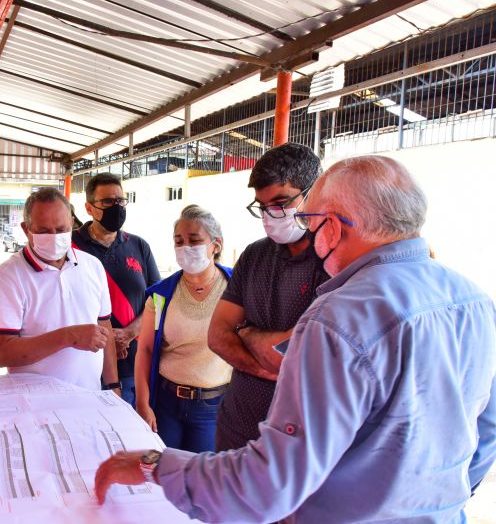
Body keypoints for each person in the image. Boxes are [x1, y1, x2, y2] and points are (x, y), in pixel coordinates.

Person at [94, 155, 496, 522]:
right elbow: (486, 431)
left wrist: (154, 465)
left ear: (334, 227)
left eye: (312, 222)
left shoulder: (340, 315)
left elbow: (270, 486)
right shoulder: (475, 301)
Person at [208, 142, 329, 451]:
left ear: (314, 193)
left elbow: (294, 354)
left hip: (297, 440)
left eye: (280, 202)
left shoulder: (332, 261)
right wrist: (267, 371)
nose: (270, 215)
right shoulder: (255, 255)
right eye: (262, 206)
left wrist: (245, 332)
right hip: (238, 425)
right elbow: (217, 336)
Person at [0, 187, 120, 392]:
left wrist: (113, 385)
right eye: (43, 231)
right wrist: (69, 336)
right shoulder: (9, 276)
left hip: (88, 397)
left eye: (61, 229)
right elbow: (3, 353)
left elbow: (105, 328)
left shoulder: (93, 266)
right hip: (34, 404)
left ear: (72, 225)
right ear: (25, 229)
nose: (54, 237)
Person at [134, 205, 232, 453]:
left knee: (204, 480)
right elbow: (145, 349)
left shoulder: (235, 288)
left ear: (216, 245)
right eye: (179, 241)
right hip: (166, 404)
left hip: (214, 407)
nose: (185, 247)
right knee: (164, 476)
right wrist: (143, 404)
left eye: (195, 240)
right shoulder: (161, 294)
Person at [72, 173, 160, 406]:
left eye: (121, 201)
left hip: (132, 365)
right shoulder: (70, 246)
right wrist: (107, 337)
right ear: (89, 208)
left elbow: (159, 300)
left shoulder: (139, 246)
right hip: (83, 366)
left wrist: (130, 332)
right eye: (108, 202)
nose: (117, 207)